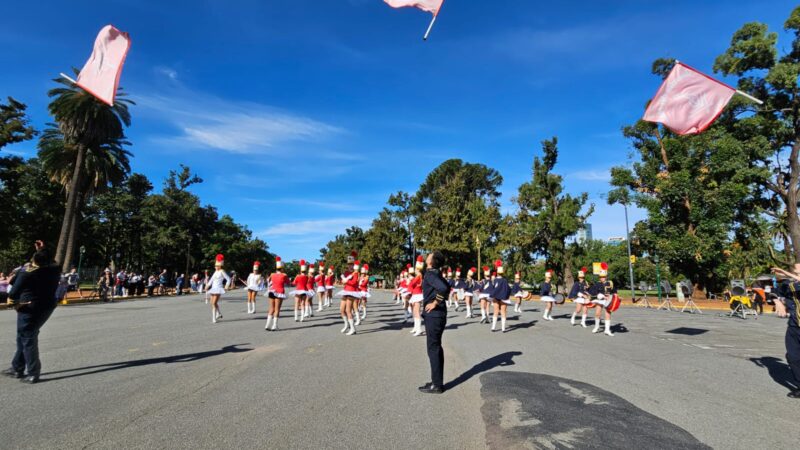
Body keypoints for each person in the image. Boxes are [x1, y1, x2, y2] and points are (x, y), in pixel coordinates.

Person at [2, 241, 60, 383]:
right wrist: (43, 250)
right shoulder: (54, 269)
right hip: (47, 306)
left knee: (27, 338)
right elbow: (49, 260)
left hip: (29, 307)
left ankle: (33, 373)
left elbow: (13, 291)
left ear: (34, 261)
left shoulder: (26, 273)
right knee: (24, 336)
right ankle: (17, 367)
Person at [419, 251, 449, 394]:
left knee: (433, 348)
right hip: (438, 316)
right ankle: (436, 381)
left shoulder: (431, 274)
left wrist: (435, 303)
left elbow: (444, 288)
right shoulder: (436, 273)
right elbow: (446, 287)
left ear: (432, 261)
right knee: (436, 348)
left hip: (434, 315)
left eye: (429, 256)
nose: (426, 257)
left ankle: (437, 385)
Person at [771, 264, 800, 398]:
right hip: (794, 326)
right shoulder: (789, 284)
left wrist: (783, 272)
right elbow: (773, 291)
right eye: (797, 271)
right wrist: (777, 302)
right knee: (792, 357)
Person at [589, 263, 616, 336]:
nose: (602, 278)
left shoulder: (610, 283)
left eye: (603, 276)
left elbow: (614, 292)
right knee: (597, 313)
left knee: (608, 314)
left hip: (608, 300)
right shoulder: (597, 284)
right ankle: (597, 326)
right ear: (599, 277)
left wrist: (612, 297)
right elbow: (592, 292)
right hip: (600, 300)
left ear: (606, 276)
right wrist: (598, 295)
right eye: (601, 277)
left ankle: (607, 330)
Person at [265, 256, 289, 331]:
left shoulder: (272, 274)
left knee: (271, 309)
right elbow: (288, 282)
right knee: (277, 309)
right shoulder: (284, 275)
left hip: (271, 291)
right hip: (279, 292)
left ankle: (267, 325)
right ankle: (274, 325)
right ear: (281, 268)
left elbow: (268, 281)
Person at [206, 254, 231, 323]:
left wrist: (226, 286)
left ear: (220, 266)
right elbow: (211, 280)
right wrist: (207, 286)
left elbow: (228, 279)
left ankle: (214, 318)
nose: (215, 267)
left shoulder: (222, 271)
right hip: (213, 288)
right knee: (212, 303)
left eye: (217, 266)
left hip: (218, 289)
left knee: (214, 303)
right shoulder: (215, 272)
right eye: (215, 266)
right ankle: (219, 313)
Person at [491, 260, 512, 332]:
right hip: (504, 297)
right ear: (503, 272)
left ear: (497, 272)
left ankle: (493, 327)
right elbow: (508, 289)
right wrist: (507, 295)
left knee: (495, 311)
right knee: (503, 311)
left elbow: (492, 288)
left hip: (496, 297)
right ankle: (503, 328)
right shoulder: (505, 280)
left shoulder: (494, 280)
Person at [408, 256, 425, 336]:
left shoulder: (419, 275)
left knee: (417, 312)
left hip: (418, 295)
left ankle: (419, 329)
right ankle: (415, 327)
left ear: (418, 269)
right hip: (415, 294)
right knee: (414, 312)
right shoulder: (417, 276)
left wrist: (410, 281)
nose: (414, 269)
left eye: (415, 268)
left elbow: (411, 284)